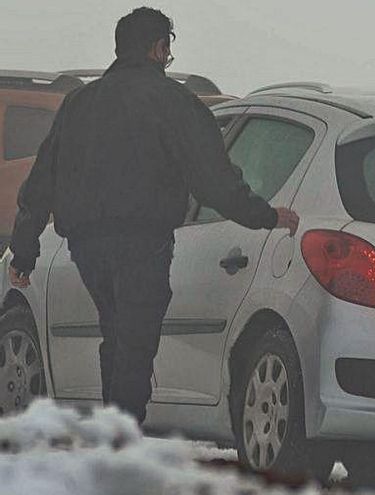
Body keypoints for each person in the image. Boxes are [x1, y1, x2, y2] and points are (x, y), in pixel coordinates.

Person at [6, 7, 300, 424]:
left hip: (86, 246)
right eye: (168, 50)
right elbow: (213, 179)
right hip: (143, 241)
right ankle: (121, 436)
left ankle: (114, 431)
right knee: (135, 340)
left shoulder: (78, 103)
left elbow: (41, 183)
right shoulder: (175, 102)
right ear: (158, 48)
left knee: (117, 333)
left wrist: (23, 251)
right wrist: (265, 216)